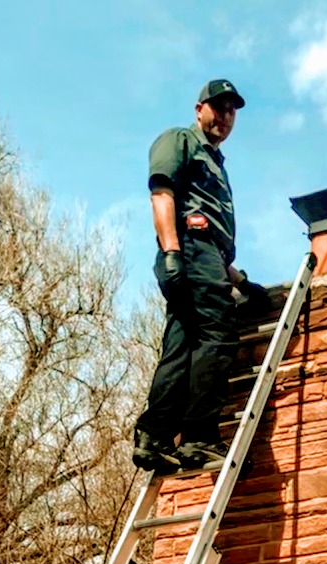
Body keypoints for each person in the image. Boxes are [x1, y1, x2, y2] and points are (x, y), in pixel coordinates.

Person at [133, 79, 270, 473]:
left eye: (232, 111)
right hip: (189, 251)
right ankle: (199, 438)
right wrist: (172, 252)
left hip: (202, 254)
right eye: (218, 107)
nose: (226, 117)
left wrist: (241, 282)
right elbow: (162, 193)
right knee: (218, 335)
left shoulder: (216, 163)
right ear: (199, 109)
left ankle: (155, 436)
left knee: (183, 343)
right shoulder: (179, 140)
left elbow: (210, 232)